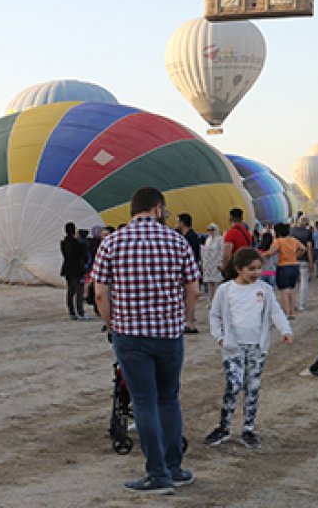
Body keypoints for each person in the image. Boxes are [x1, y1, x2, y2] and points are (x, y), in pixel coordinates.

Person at [92, 187, 200, 495]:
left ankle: (157, 475)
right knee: (168, 400)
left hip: (131, 336)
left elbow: (100, 293)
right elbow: (192, 289)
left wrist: (111, 323)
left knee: (143, 404)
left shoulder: (111, 243)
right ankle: (174, 469)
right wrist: (186, 319)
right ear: (157, 208)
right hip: (169, 334)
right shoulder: (177, 241)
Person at [203, 248, 293, 450]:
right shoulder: (225, 290)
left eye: (259, 268)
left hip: (257, 348)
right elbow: (215, 315)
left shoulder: (265, 290)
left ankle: (248, 429)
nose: (256, 273)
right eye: (251, 269)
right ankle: (224, 427)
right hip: (233, 348)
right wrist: (219, 337)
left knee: (252, 387)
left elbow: (276, 312)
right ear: (238, 269)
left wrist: (285, 330)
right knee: (234, 385)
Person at [261, 223, 305, 322]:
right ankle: (292, 312)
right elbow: (303, 248)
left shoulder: (278, 241)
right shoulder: (294, 240)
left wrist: (261, 255)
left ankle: (286, 313)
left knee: (284, 291)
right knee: (291, 290)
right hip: (294, 265)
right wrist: (295, 256)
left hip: (283, 266)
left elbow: (270, 252)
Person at [60, 222, 88, 321]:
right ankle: (80, 312)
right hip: (78, 270)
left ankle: (72, 312)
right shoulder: (78, 244)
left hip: (68, 270)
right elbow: (84, 257)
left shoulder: (63, 243)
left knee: (71, 291)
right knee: (79, 292)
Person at [289, 216, 316, 313]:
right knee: (304, 283)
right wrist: (311, 262)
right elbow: (309, 248)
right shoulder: (308, 233)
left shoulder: (291, 231)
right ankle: (302, 304)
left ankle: (292, 304)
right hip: (304, 260)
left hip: (293, 259)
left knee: (293, 284)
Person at [200, 224, 224, 296]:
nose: (210, 231)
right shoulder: (208, 240)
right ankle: (210, 301)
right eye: (208, 230)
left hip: (216, 264)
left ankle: (217, 302)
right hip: (208, 265)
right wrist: (203, 264)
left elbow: (222, 251)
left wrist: (221, 264)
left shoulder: (220, 239)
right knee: (209, 284)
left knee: (216, 284)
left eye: (212, 229)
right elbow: (204, 252)